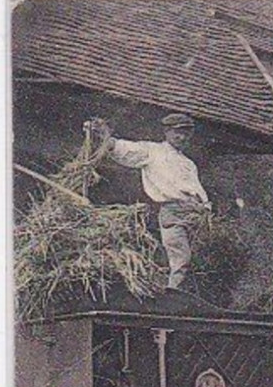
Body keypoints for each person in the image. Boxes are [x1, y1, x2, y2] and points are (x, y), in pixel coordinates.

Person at [88, 112, 210, 292]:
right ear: (166, 132)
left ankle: (189, 294)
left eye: (186, 134)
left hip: (195, 214)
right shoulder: (153, 151)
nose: (181, 137)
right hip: (174, 212)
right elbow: (123, 149)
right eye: (177, 132)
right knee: (180, 256)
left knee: (198, 257)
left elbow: (198, 190)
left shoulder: (189, 164)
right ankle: (174, 294)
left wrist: (205, 208)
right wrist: (103, 135)